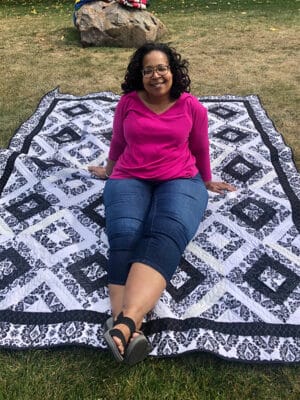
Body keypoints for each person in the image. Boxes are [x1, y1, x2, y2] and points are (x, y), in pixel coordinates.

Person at [88, 42, 236, 365]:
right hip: (129, 176)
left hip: (181, 177)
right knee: (124, 234)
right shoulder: (127, 103)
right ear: (139, 75)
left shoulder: (190, 106)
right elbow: (118, 141)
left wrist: (207, 179)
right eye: (148, 70)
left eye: (162, 68)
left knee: (167, 231)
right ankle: (130, 330)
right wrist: (109, 169)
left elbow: (199, 145)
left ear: (173, 71)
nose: (156, 75)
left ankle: (123, 326)